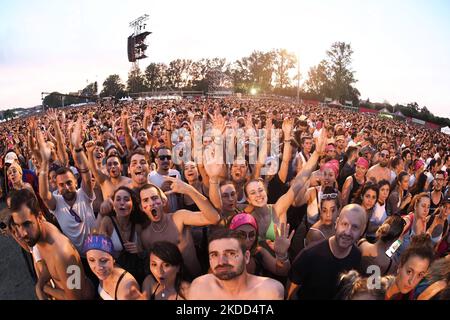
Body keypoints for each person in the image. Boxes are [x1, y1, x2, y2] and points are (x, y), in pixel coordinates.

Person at [9, 189, 94, 300]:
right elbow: (50, 264)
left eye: (27, 224)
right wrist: (40, 284)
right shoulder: (39, 234)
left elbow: (75, 298)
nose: (22, 233)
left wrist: (43, 288)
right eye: (18, 225)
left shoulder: (64, 254)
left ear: (39, 217)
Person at [36, 119, 98, 254]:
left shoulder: (84, 194)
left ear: (75, 182)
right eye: (61, 185)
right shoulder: (57, 204)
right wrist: (45, 162)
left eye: (69, 183)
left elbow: (86, 174)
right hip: (77, 257)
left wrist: (77, 147)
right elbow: (44, 195)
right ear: (57, 186)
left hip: (98, 249)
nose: (66, 187)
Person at [139, 179, 220, 279]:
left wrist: (189, 190)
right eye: (145, 200)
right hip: (172, 287)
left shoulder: (179, 217)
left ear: (163, 201)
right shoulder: (145, 236)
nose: (151, 203)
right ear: (142, 207)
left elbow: (213, 218)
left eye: (154, 198)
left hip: (196, 279)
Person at [288, 204, 366, 300]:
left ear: (362, 231)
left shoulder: (357, 256)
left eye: (355, 227)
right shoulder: (310, 254)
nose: (347, 232)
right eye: (344, 224)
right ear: (336, 223)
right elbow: (291, 293)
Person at [187, 228, 284, 300]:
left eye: (231, 253)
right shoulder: (199, 288)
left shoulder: (269, 291)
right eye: (214, 255)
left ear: (246, 257)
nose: (221, 262)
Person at [99, 186, 146, 283]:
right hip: (113, 275)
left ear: (132, 206)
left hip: (134, 275)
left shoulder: (137, 226)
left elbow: (143, 253)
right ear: (113, 205)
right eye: (118, 199)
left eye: (126, 199)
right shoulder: (107, 222)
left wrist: (139, 250)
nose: (122, 203)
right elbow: (100, 252)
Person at [83, 233, 145, 300]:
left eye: (103, 260)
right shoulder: (102, 273)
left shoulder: (128, 288)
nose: (98, 267)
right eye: (92, 260)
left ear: (113, 259)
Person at [229, 213, 293, 277]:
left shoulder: (258, 252)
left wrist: (281, 255)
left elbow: (282, 272)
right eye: (242, 234)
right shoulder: (222, 255)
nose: (247, 240)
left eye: (252, 235)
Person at [385, 234, 435, 300]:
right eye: (409, 272)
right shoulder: (373, 293)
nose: (411, 281)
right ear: (400, 266)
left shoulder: (408, 295)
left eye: (419, 275)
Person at [148, 146, 182, 212]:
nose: (166, 160)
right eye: (162, 158)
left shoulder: (176, 173)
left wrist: (178, 190)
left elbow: (181, 197)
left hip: (176, 215)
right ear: (156, 160)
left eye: (168, 157)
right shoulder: (150, 177)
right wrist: (161, 190)